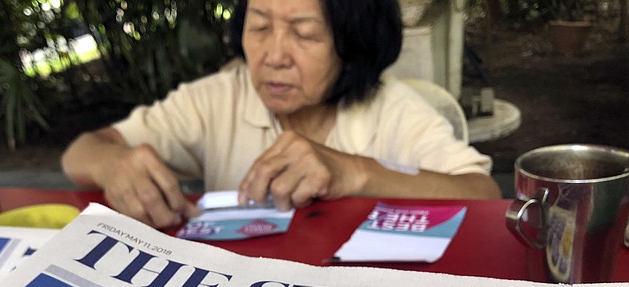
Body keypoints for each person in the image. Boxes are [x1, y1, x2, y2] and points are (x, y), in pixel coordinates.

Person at [61, 0, 501, 229]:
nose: (273, 57)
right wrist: (113, 164)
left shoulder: (395, 110)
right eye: (259, 28)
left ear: (355, 47)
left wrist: (356, 174)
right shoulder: (218, 99)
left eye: (304, 35)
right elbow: (81, 152)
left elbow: (482, 194)